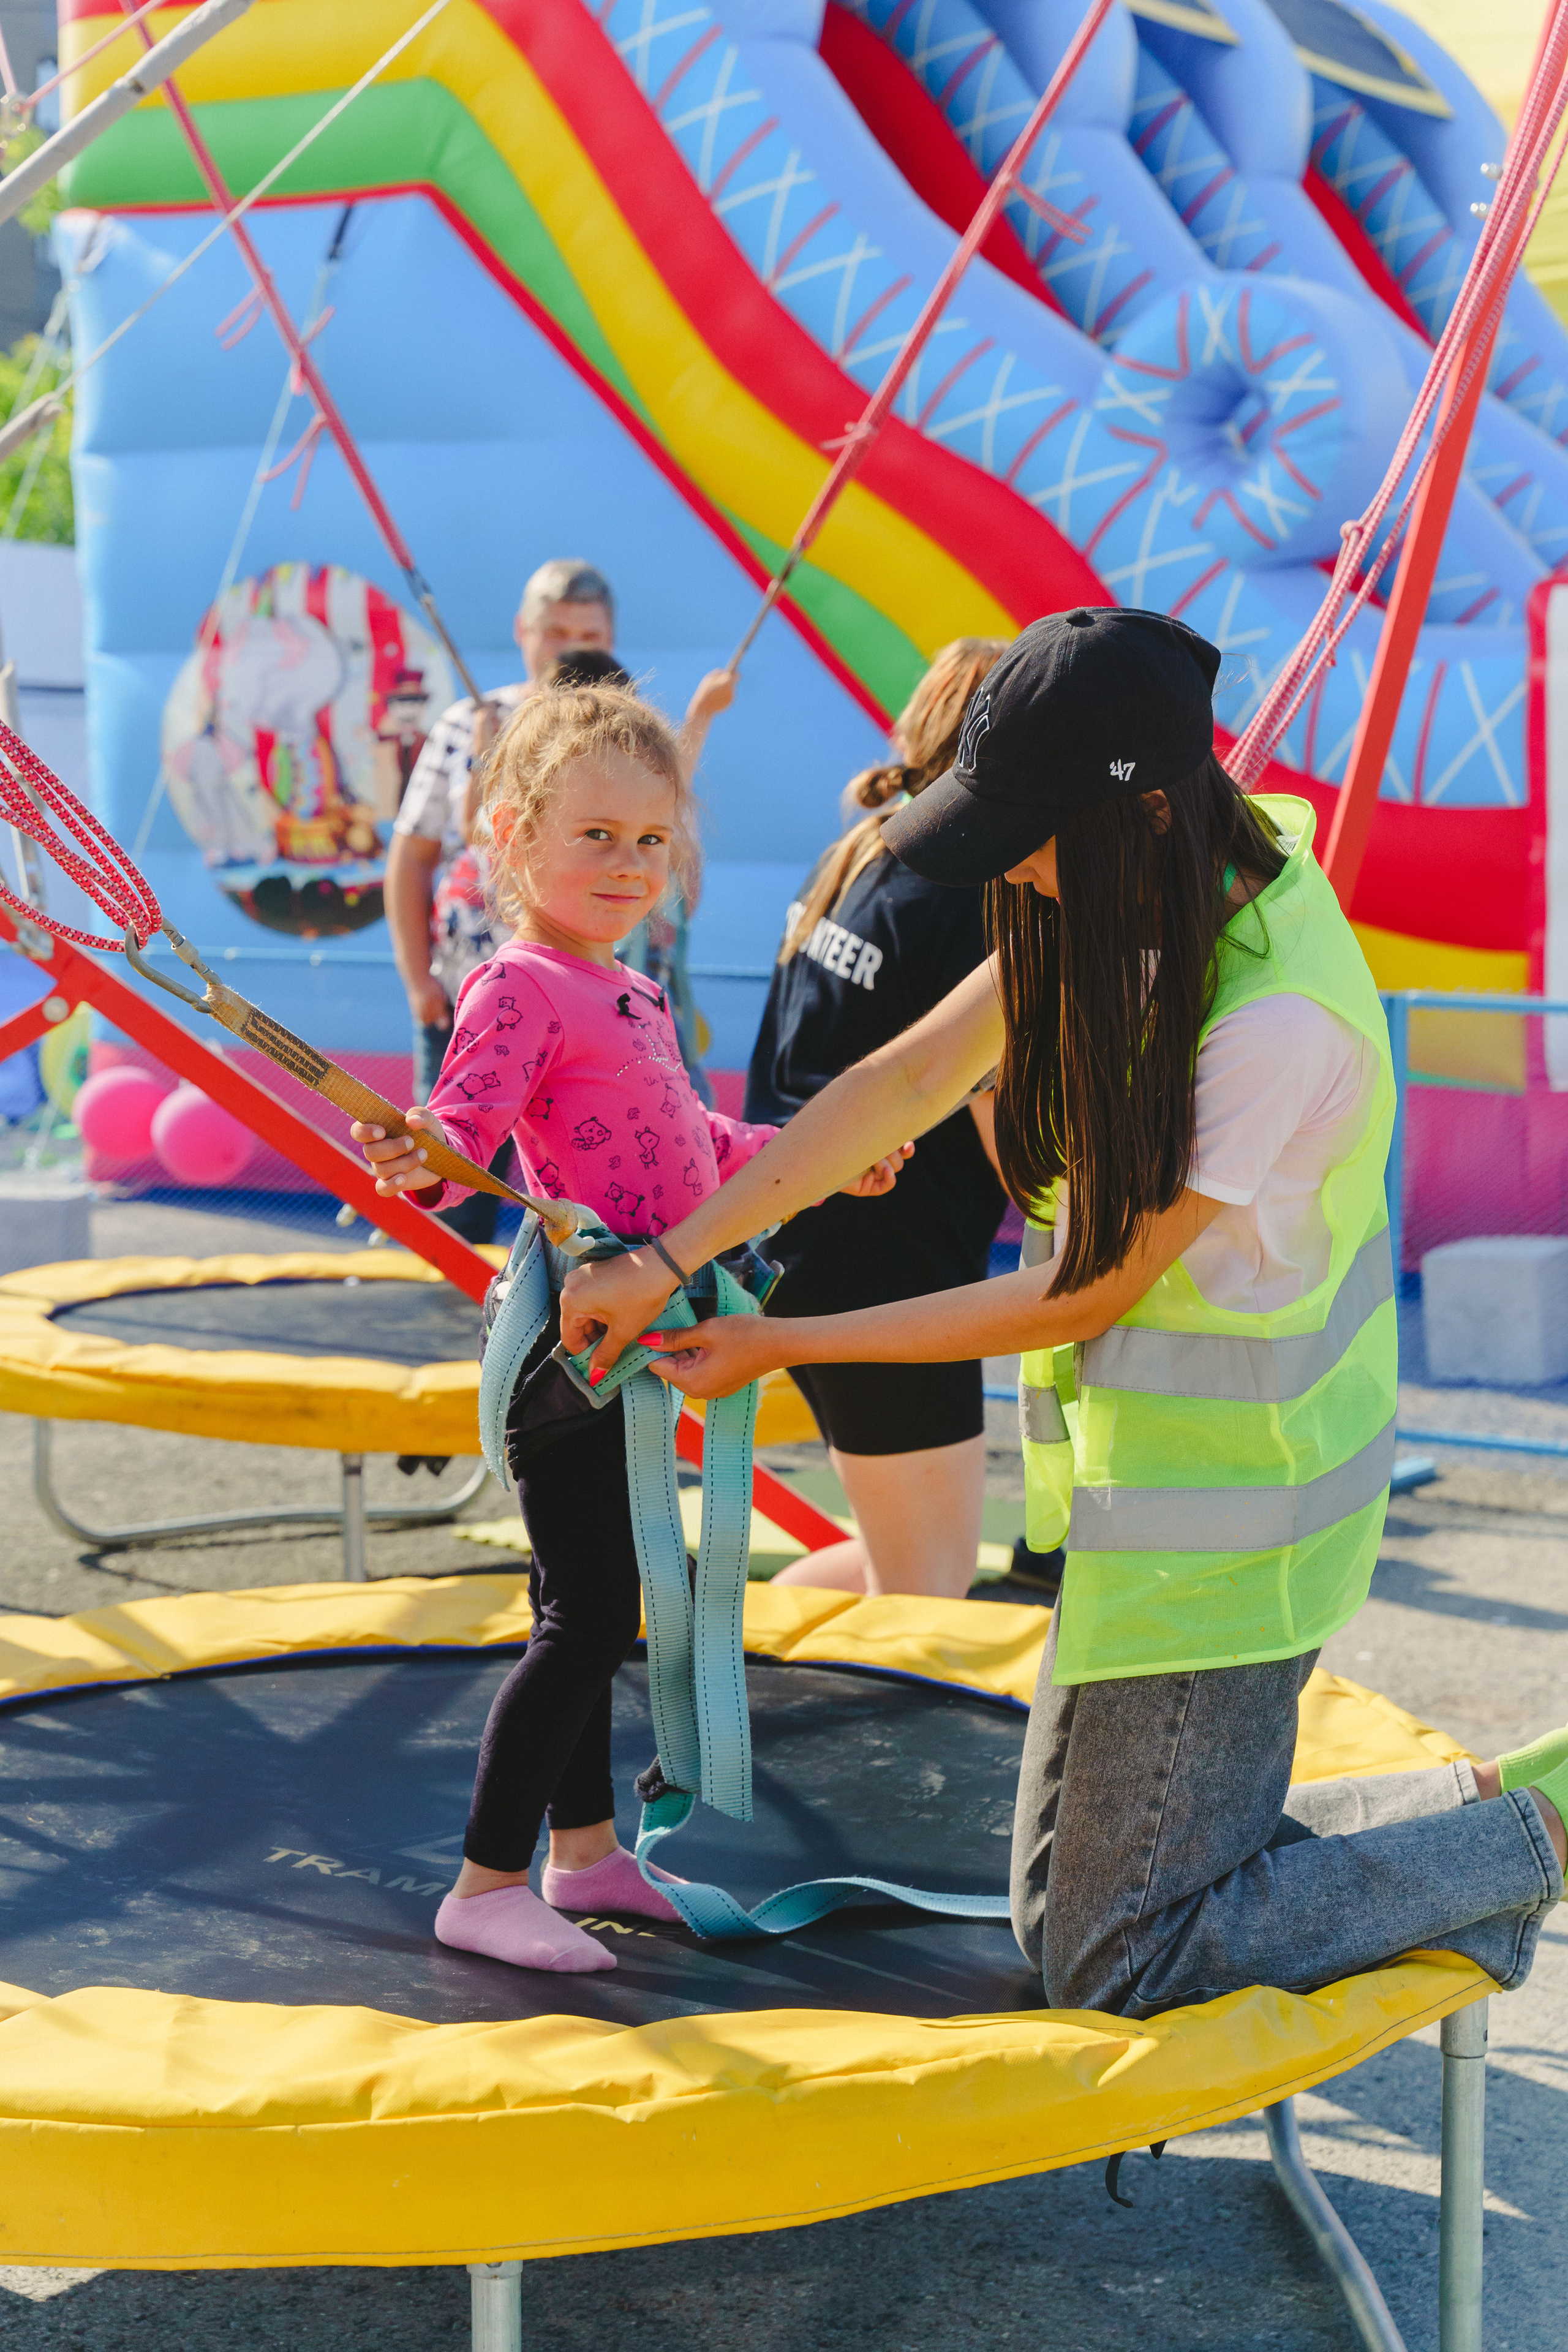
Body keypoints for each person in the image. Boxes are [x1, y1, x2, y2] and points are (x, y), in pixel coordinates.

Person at [552, 606, 1567, 2019]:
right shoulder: (1119, 889)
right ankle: (1467, 1805)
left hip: (1238, 1536)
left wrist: (782, 1343)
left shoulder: (1275, 1020)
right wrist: (669, 1257)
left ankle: (1532, 1838)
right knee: (1052, 1908)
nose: (1009, 868)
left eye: (1028, 832)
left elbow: (1085, 1286)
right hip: (1133, 1508)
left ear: (1141, 810)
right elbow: (901, 1081)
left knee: (1110, 1953)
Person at [353, 679, 903, 1975]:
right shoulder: (519, 985)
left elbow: (693, 1148)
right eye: (594, 835)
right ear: (505, 834)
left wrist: (806, 1159)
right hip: (568, 1347)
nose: (626, 864)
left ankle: (585, 1854)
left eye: (649, 842)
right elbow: (459, 1140)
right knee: (586, 1614)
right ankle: (485, 1883)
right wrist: (417, 1154)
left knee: (593, 1602)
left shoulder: (628, 989)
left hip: (627, 1348)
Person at [745, 638, 1008, 1597]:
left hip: (808, 1235)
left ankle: (741, 1671)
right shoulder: (974, 886)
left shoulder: (863, 850)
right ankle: (733, 1699)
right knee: (928, 1581)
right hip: (887, 1263)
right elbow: (987, 1101)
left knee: (909, 1566)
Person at [385, 559, 619, 1243]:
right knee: (454, 1177)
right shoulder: (470, 723)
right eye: (555, 631)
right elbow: (414, 854)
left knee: (580, 1188)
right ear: (524, 631)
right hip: (469, 998)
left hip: (581, 1006)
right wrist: (416, 976)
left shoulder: (618, 734)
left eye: (586, 633)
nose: (567, 645)